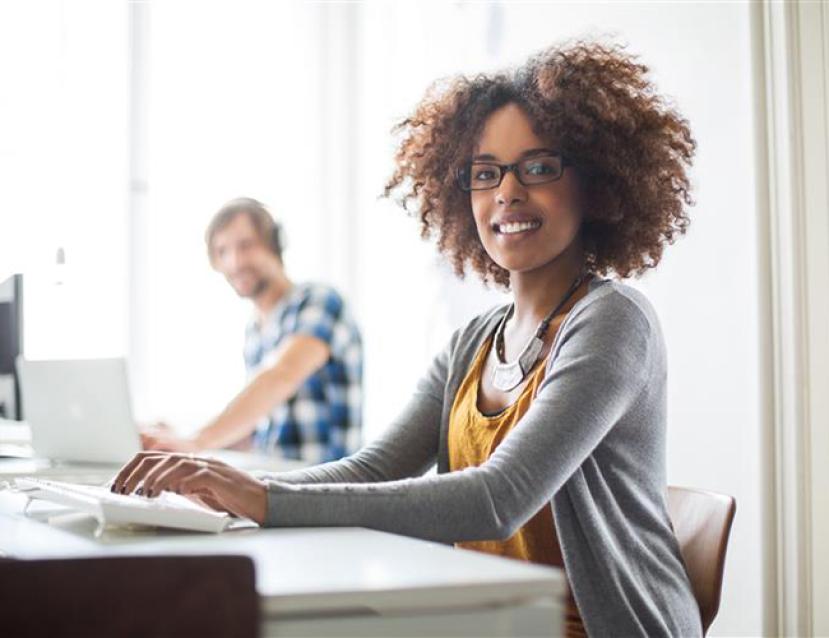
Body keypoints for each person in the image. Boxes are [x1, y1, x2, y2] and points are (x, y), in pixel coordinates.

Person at [114, 42, 702, 636]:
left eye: (539, 167)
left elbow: (498, 498)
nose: (507, 191)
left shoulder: (612, 321)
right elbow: (372, 468)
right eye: (485, 173)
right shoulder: (473, 342)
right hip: (492, 623)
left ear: (595, 184)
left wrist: (263, 501)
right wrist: (224, 487)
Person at [142, 197, 363, 463]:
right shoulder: (255, 330)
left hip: (326, 481)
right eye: (222, 251)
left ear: (274, 244)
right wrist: (175, 437)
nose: (234, 262)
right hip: (276, 478)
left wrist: (196, 441)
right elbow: (256, 432)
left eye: (245, 246)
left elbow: (281, 375)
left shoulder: (318, 301)